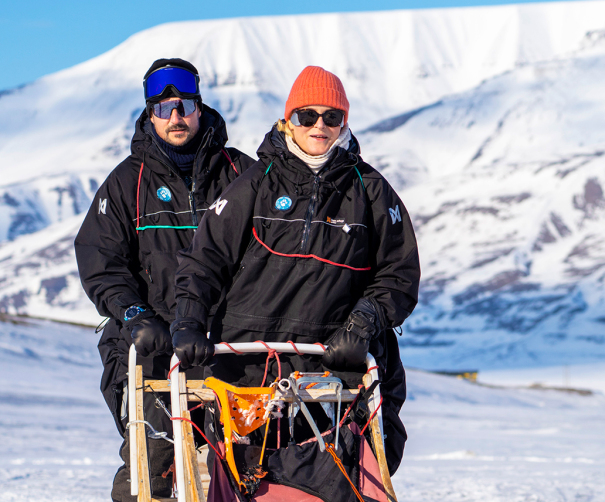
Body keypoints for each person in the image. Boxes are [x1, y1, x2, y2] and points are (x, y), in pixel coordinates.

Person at [171, 65, 420, 475]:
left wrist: (361, 326)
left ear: (344, 122)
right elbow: (205, 259)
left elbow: (399, 273)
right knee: (242, 479)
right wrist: (189, 322)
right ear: (289, 120)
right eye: (307, 116)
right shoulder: (255, 183)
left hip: (331, 363)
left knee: (332, 480)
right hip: (247, 362)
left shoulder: (371, 190)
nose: (319, 126)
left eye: (332, 116)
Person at [74, 58, 255, 502]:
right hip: (152, 350)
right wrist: (133, 314)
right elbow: (100, 260)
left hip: (229, 349)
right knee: (150, 466)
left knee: (241, 468)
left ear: (199, 107)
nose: (175, 116)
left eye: (184, 105)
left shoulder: (243, 175)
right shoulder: (125, 184)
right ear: (149, 114)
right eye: (163, 108)